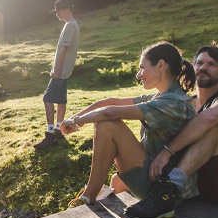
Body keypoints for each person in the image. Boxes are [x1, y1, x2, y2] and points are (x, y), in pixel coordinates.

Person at [126, 42, 218, 218]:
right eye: (199, 63)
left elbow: (208, 119)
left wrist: (166, 152)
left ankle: (169, 187)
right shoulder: (186, 102)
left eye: (211, 64)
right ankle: (166, 191)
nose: (203, 68)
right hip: (193, 188)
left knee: (211, 128)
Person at [60, 41, 195, 205]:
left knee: (107, 124)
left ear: (160, 65)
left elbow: (110, 112)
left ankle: (88, 196)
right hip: (155, 175)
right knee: (116, 175)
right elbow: (112, 102)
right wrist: (74, 118)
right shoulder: (160, 97)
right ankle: (91, 194)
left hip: (162, 189)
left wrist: (77, 122)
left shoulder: (172, 103)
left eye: (142, 67)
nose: (138, 75)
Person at [34, 0, 80, 150]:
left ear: (65, 9)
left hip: (61, 72)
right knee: (60, 100)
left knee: (47, 99)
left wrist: (57, 71)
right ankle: (59, 130)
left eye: (58, 11)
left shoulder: (70, 26)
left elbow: (63, 50)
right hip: (64, 72)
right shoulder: (73, 25)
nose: (57, 15)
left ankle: (50, 134)